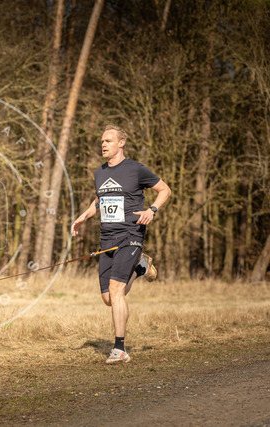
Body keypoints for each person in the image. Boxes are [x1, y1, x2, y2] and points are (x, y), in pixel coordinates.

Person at [71, 125, 171, 364]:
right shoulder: (100, 172)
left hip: (130, 234)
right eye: (102, 141)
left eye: (108, 140)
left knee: (116, 290)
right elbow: (100, 200)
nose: (103, 145)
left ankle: (119, 349)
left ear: (121, 143)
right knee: (109, 298)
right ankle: (140, 268)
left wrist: (152, 210)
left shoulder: (136, 169)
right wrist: (84, 216)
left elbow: (164, 190)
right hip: (107, 238)